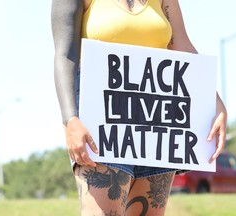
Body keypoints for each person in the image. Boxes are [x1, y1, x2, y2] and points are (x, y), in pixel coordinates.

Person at [51, 0, 227, 215]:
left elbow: (182, 48)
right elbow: (64, 54)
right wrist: (70, 119)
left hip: (157, 122)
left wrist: (216, 103)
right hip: (103, 122)